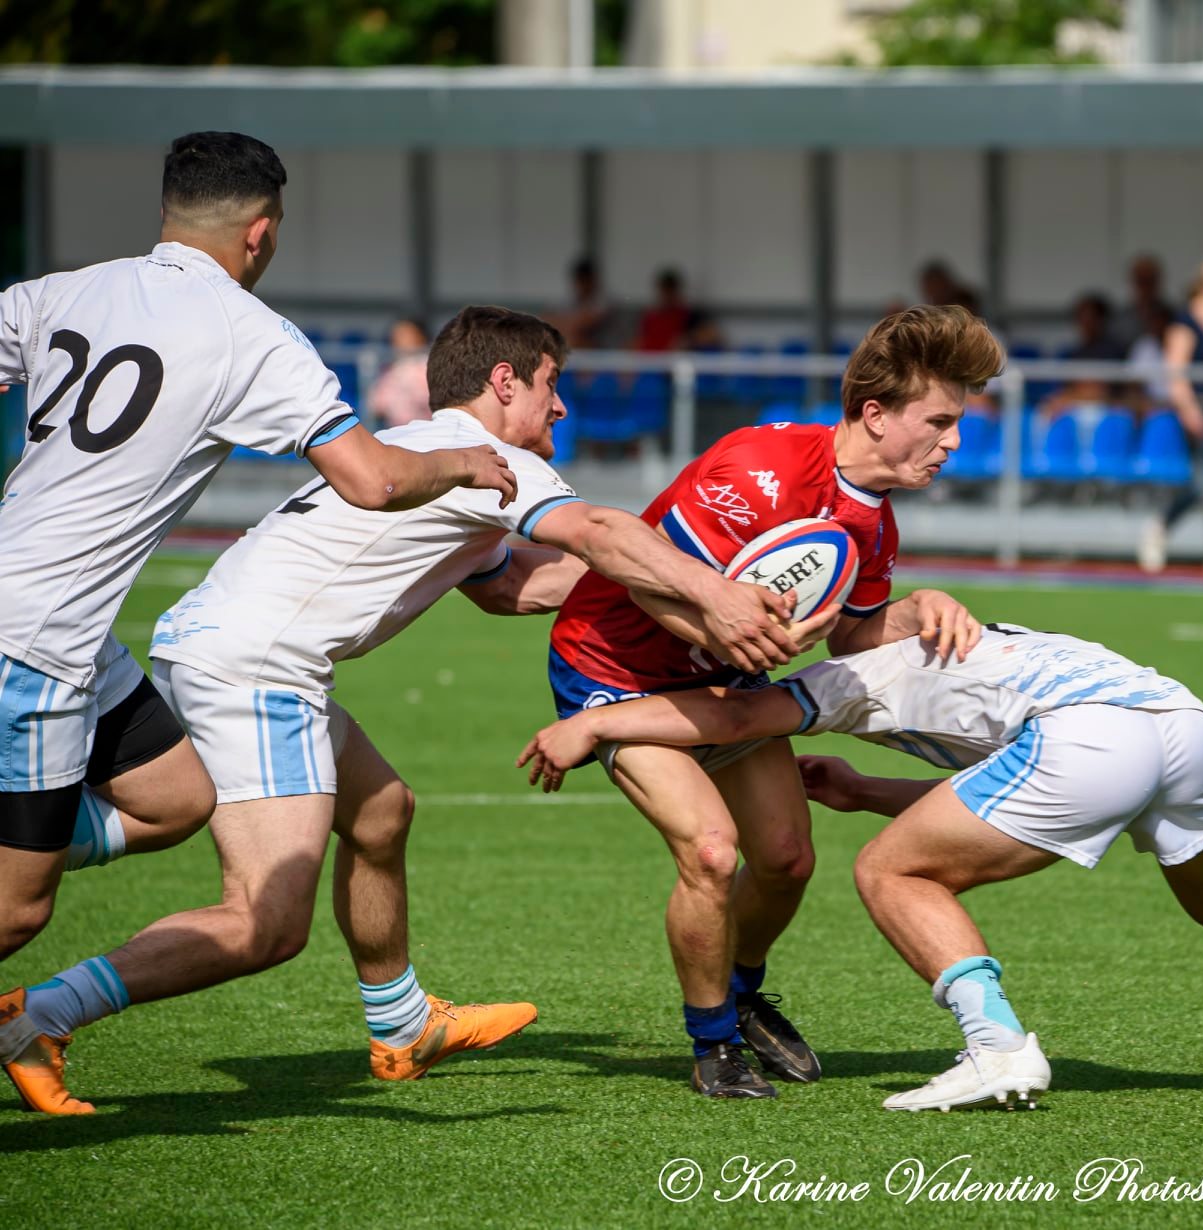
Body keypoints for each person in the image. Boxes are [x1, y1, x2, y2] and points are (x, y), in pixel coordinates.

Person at [2, 307, 814, 1115]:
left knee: (382, 812)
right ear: (505, 382)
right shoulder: (493, 459)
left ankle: (402, 1026)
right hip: (255, 672)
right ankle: (38, 1014)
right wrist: (712, 592)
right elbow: (597, 530)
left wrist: (682, 575)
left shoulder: (431, 451)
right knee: (264, 923)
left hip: (224, 650)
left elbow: (508, 585)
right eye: (550, 384)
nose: (561, 406)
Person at [0, 132, 515, 1077]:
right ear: (261, 232)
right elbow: (370, 479)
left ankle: (402, 1020)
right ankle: (32, 975)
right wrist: (461, 462)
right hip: (37, 637)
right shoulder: (253, 335)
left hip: (67, 626)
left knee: (175, 798)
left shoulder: (62, 292)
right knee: (16, 910)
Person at [517, 624, 1203, 1108]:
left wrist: (593, 725)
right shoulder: (978, 639)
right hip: (1179, 723)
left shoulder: (856, 669)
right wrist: (860, 788)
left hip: (1089, 740)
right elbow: (1002, 796)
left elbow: (735, 716)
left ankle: (997, 1050)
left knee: (891, 875)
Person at [546, 305, 1001, 1099]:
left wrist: (921, 608)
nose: (954, 441)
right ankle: (712, 1042)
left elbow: (852, 639)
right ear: (875, 414)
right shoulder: (764, 465)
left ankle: (742, 992)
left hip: (725, 686)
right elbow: (645, 576)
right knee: (712, 852)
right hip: (615, 668)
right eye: (940, 421)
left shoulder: (876, 526)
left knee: (787, 859)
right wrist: (731, 633)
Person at [1138, 255, 1203, 579]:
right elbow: (1176, 372)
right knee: (1202, 485)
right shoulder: (1186, 321)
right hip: (1199, 410)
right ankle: (1161, 525)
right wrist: (1190, 411)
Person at [1039, 292, 1127, 418]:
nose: (1085, 323)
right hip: (1078, 410)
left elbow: (1102, 391)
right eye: (1081, 318)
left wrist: (1069, 397)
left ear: (1101, 320)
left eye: (1090, 318)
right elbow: (1069, 386)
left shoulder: (1113, 350)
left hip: (1106, 412)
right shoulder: (1077, 352)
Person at [364, 317, 432, 429]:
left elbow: (429, 400)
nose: (399, 341)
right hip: (397, 432)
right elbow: (376, 405)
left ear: (421, 336)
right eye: (396, 336)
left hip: (425, 431)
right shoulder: (391, 369)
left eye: (405, 335)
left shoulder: (429, 367)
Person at [552, 256, 613, 351]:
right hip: (576, 343)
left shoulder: (603, 301)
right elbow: (547, 320)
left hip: (602, 349)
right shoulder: (571, 299)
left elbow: (581, 325)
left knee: (572, 341)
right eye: (579, 281)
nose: (581, 286)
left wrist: (564, 324)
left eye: (585, 281)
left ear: (592, 280)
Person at [634, 267, 694, 353]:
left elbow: (703, 335)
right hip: (648, 357)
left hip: (670, 358)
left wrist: (686, 340)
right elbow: (640, 339)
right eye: (665, 291)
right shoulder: (650, 316)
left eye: (670, 291)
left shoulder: (686, 315)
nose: (667, 296)